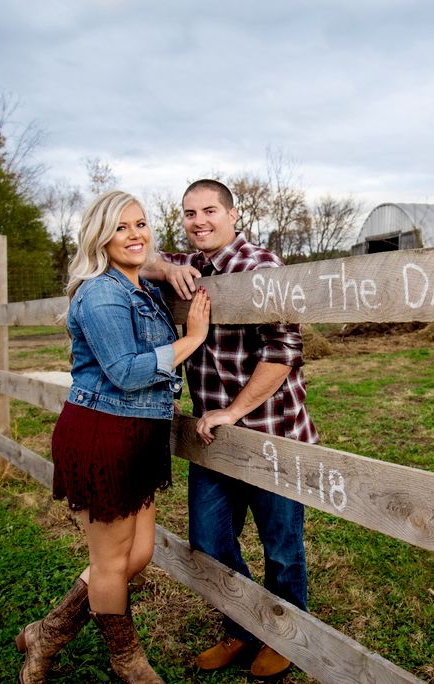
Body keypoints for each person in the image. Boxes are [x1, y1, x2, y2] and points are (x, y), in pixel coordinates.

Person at [15, 190, 211, 684]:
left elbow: (152, 262)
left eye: (141, 224)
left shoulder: (137, 284)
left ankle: (48, 631)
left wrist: (164, 269)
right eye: (122, 227)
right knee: (108, 563)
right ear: (101, 236)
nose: (135, 234)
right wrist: (190, 340)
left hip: (140, 433)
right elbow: (124, 372)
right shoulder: (102, 292)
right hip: (104, 432)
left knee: (138, 555)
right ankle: (129, 662)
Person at [146, 179, 318, 680]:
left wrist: (233, 411)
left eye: (209, 211)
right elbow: (146, 260)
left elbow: (283, 352)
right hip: (213, 438)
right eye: (189, 213)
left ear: (233, 214)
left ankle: (285, 638)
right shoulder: (191, 267)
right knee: (208, 538)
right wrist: (173, 266)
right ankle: (243, 627)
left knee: (281, 547)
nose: (199, 221)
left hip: (270, 433)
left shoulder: (261, 267)